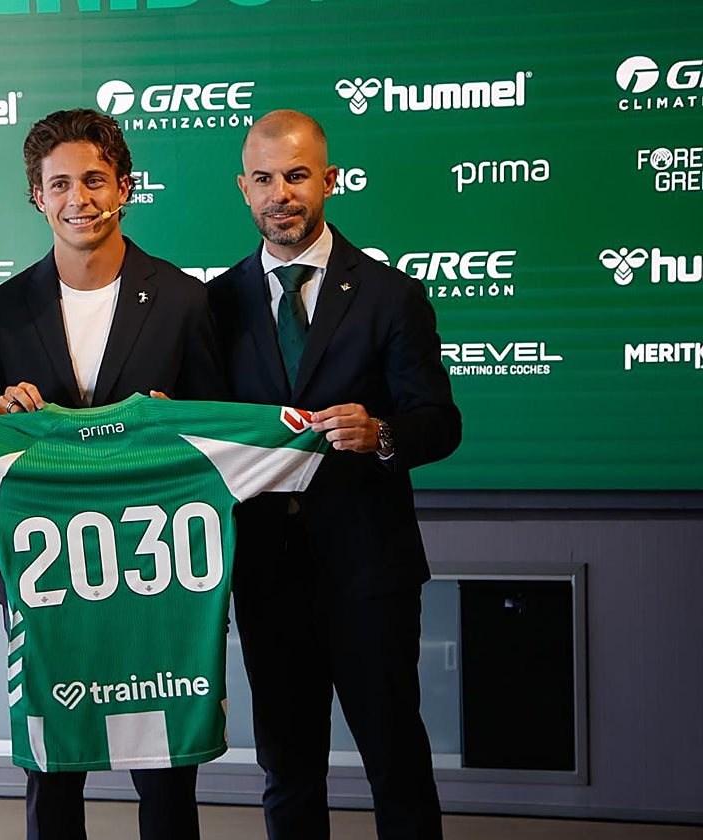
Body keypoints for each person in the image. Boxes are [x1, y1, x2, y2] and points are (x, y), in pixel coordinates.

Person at [0, 107, 226, 840]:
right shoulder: (2, 312)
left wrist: (180, 423)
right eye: (60, 184)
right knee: (52, 777)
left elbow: (216, 446)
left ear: (125, 188)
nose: (78, 198)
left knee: (168, 781)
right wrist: (0, 414)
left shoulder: (182, 300)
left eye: (94, 179)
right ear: (37, 199)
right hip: (48, 578)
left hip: (159, 576)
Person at [207, 109, 462, 840]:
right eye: (262, 178)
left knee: (395, 762)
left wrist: (381, 433)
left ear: (330, 180)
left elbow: (440, 423)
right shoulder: (214, 305)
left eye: (295, 175)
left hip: (368, 571)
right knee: (287, 768)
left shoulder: (391, 295)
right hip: (263, 573)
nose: (279, 193)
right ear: (242, 187)